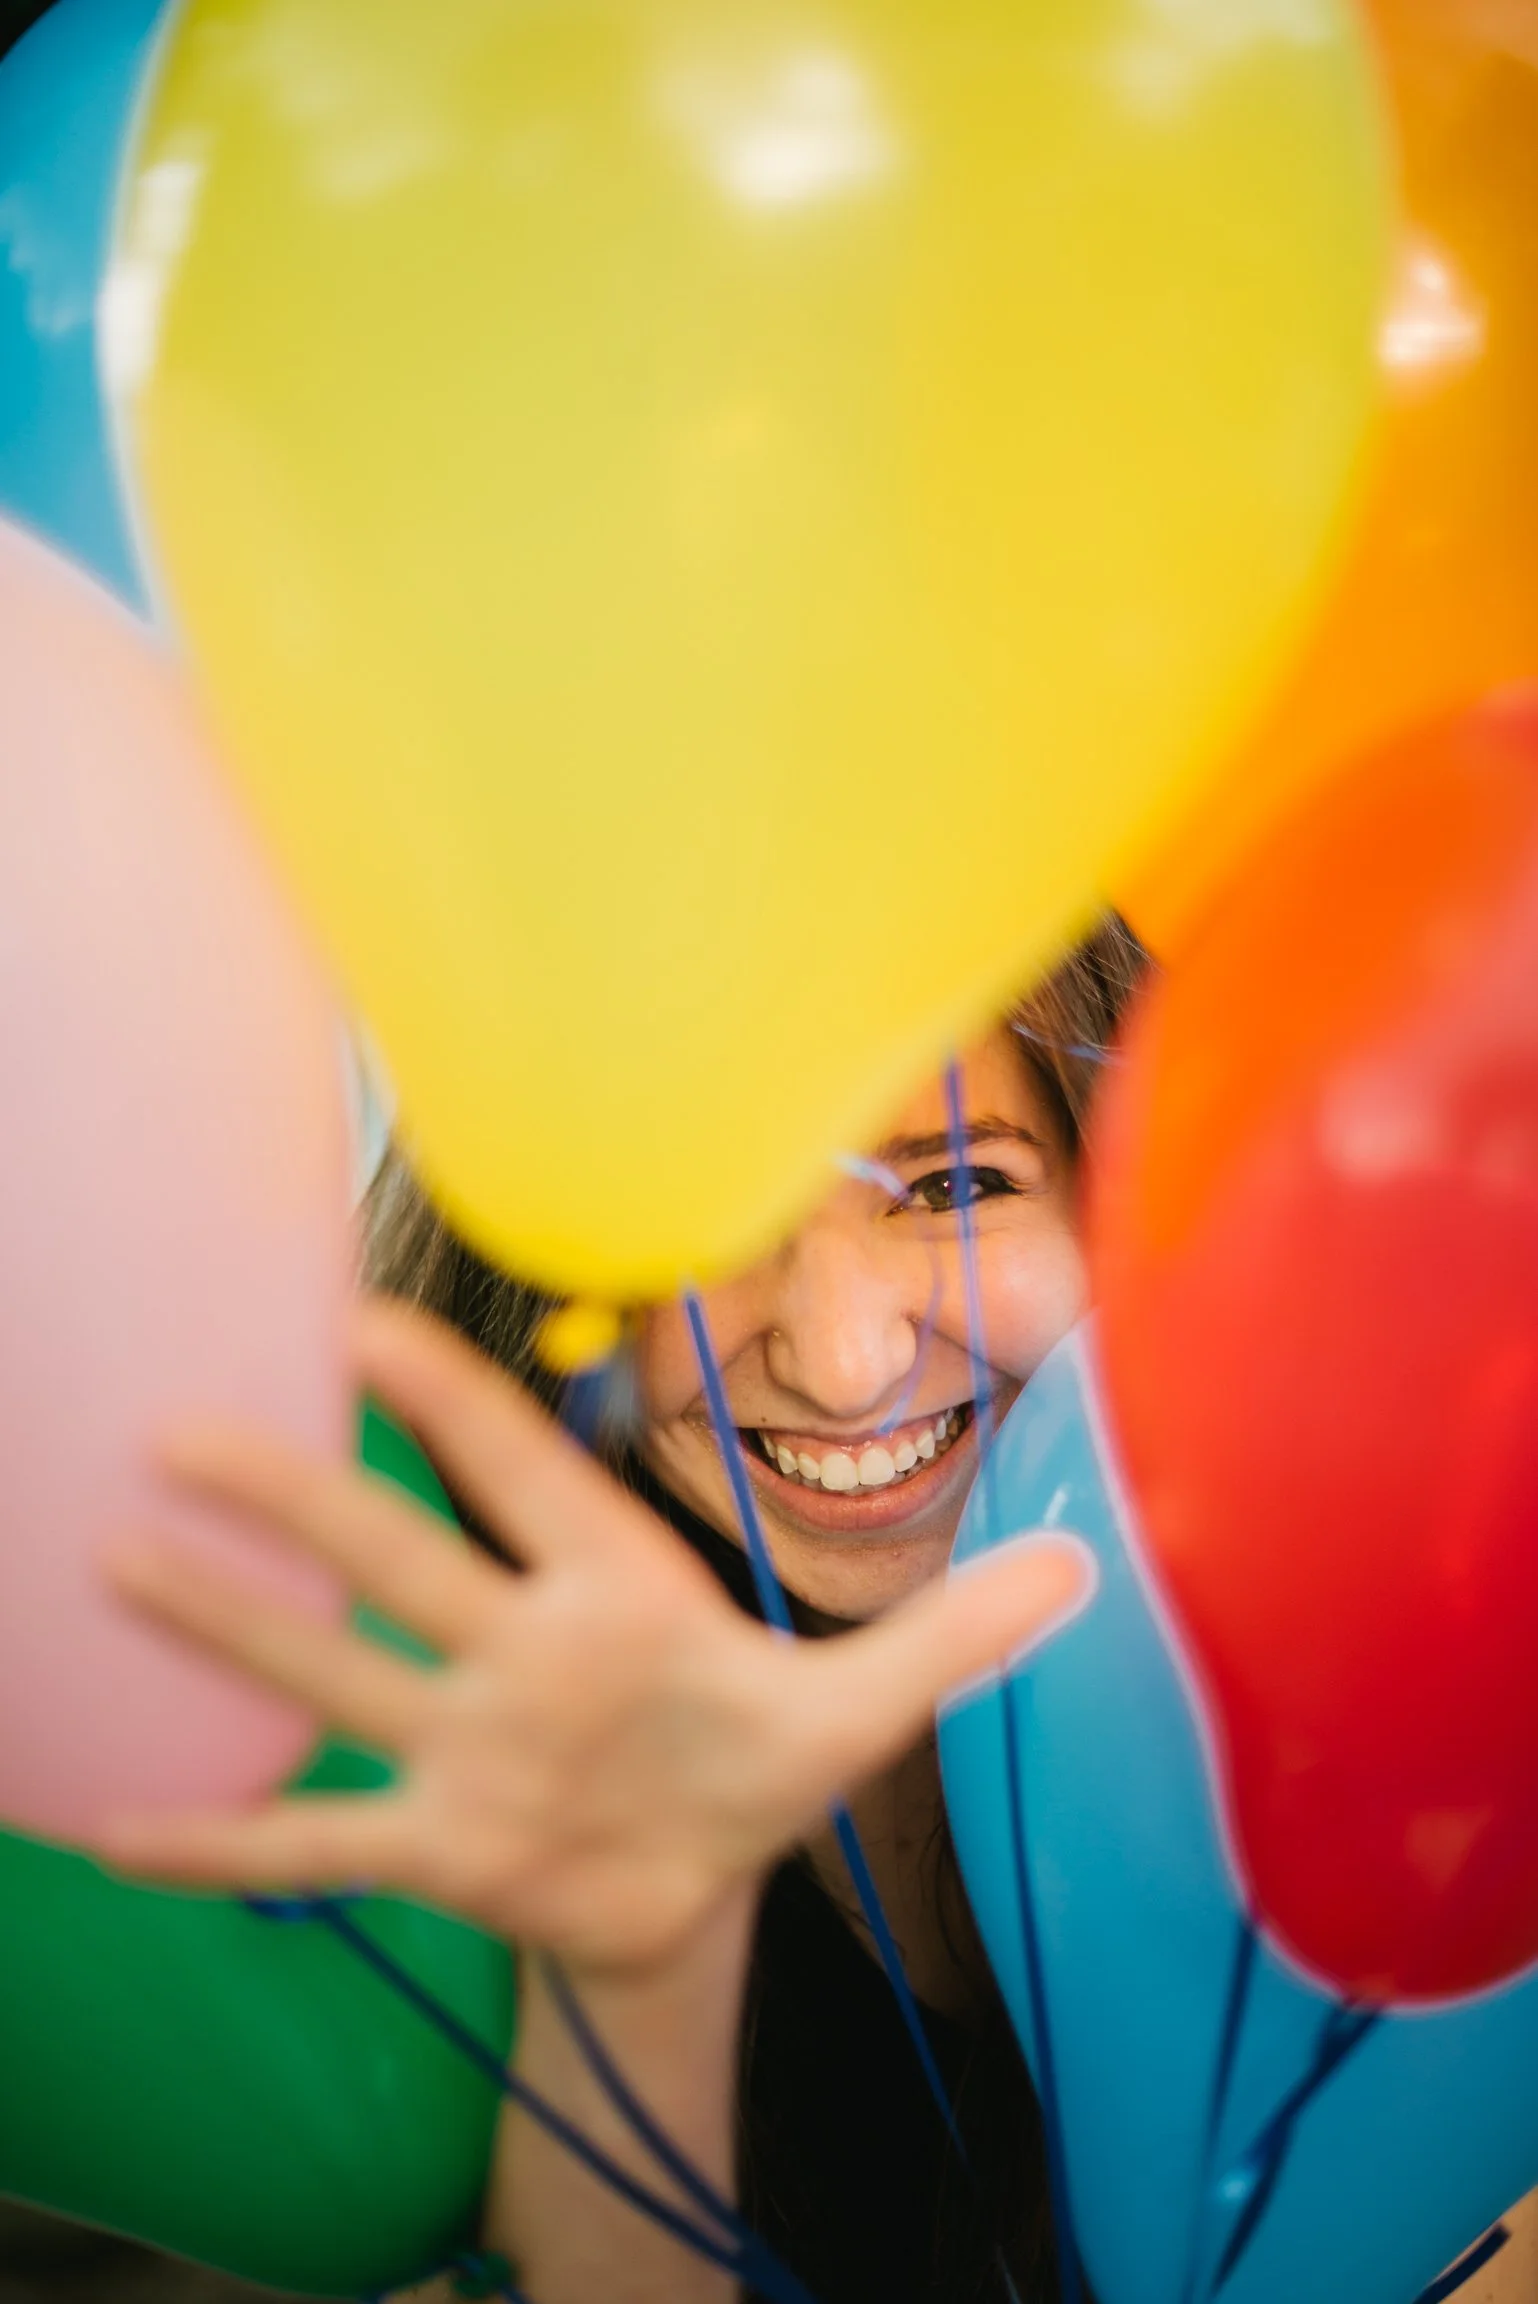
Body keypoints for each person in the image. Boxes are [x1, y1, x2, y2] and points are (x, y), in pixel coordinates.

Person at [91, 913, 1535, 2304]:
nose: (842, 1361)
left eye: (960, 1187)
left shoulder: (1425, 1677)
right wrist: (635, 1964)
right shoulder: (431, 1756)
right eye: (703, 1221)